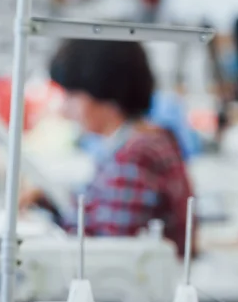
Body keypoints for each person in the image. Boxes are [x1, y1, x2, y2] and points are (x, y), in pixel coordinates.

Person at [23, 39, 195, 257]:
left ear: (103, 92)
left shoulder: (136, 156)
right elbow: (100, 216)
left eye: (72, 95)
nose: (65, 109)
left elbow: (109, 251)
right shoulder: (138, 141)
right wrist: (49, 203)